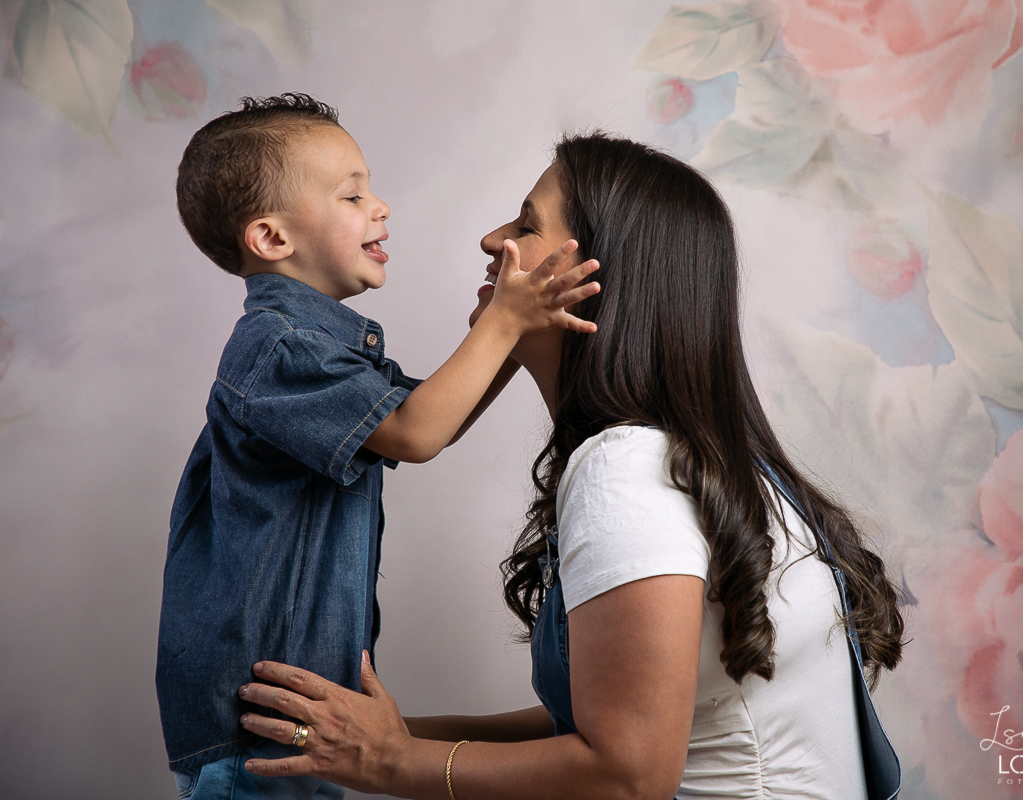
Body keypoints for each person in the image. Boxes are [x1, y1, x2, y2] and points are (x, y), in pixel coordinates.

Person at [235, 133, 905, 799]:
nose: (492, 239)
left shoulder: (627, 473)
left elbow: (629, 773)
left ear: (594, 282)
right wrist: (386, 738)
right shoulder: (695, 460)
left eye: (526, 224)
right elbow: (623, 715)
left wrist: (388, 764)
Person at [157, 94, 601, 799]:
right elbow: (419, 433)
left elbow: (431, 418)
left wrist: (511, 338)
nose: (380, 206)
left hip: (300, 720)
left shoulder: (326, 351)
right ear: (272, 239)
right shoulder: (276, 348)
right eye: (352, 194)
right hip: (262, 731)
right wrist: (504, 327)